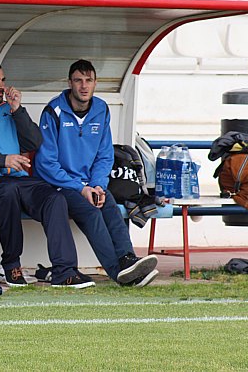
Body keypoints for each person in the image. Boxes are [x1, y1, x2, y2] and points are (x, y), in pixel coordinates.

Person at [0, 58, 94, 289]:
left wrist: (17, 110)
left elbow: (34, 141)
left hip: (15, 179)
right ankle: (12, 264)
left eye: (3, 80)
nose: (2, 86)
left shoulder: (9, 110)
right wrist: (2, 160)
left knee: (54, 197)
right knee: (7, 191)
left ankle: (65, 272)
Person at [34, 59, 159, 287]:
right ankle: (117, 271)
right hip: (59, 185)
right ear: (69, 83)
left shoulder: (101, 109)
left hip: (90, 184)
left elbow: (104, 155)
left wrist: (98, 185)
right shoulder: (53, 111)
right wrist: (81, 188)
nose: (83, 86)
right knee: (91, 211)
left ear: (95, 83)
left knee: (109, 204)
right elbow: (46, 164)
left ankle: (127, 259)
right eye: (78, 80)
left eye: (88, 81)